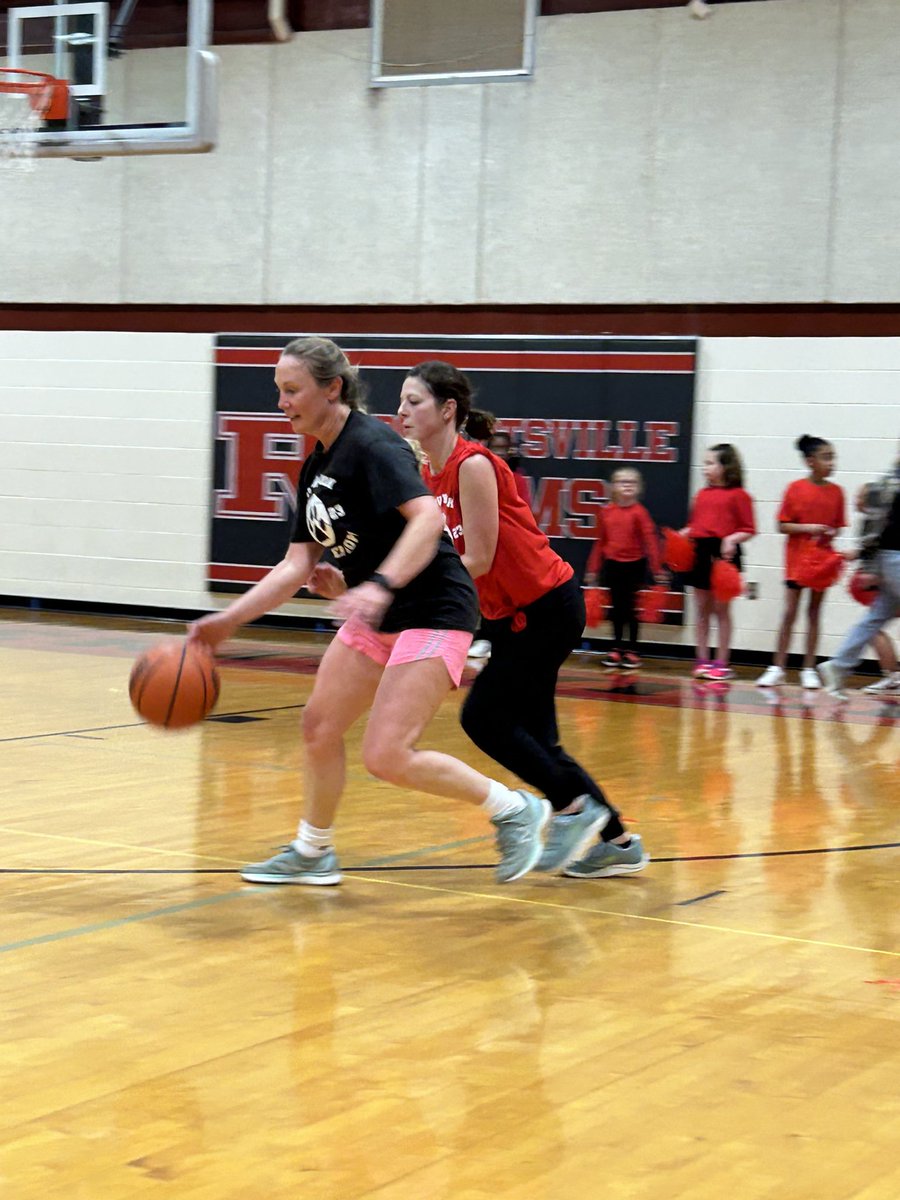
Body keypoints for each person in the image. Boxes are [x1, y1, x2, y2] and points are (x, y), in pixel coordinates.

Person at [188, 337, 550, 885]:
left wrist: (379, 584)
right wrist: (227, 622)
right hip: (381, 615)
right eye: (278, 391)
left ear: (332, 388)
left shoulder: (372, 444)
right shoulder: (317, 466)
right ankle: (313, 852)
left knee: (386, 753)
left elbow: (428, 520)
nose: (282, 402)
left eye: (292, 390)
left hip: (435, 610)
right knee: (319, 725)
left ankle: (512, 809)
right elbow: (293, 566)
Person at [398, 360, 649, 880]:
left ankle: (570, 809)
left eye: (414, 401)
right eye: (401, 401)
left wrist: (414, 592)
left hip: (546, 607)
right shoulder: (429, 473)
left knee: (482, 718)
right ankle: (619, 843)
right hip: (510, 616)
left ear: (448, 410)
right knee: (541, 743)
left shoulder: (473, 465)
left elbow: (481, 558)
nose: (401, 410)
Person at [756, 435, 845, 690]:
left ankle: (808, 668)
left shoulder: (837, 492)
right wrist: (809, 528)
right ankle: (777, 667)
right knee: (790, 613)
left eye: (832, 457)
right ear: (810, 461)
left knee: (814, 613)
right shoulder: (795, 488)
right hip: (797, 561)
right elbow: (782, 524)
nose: (831, 462)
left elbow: (837, 527)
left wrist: (828, 533)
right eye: (826, 457)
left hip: (822, 562)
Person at [820, 442, 900, 700]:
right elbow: (872, 528)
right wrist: (869, 566)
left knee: (875, 618)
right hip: (894, 558)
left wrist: (871, 565)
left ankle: (837, 666)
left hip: (889, 559)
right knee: (875, 619)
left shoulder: (886, 484)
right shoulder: (889, 485)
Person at [680, 443, 756, 682]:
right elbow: (697, 525)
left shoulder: (740, 495)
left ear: (726, 466)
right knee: (701, 609)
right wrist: (683, 534)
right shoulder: (702, 495)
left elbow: (749, 529)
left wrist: (732, 539)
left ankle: (722, 662)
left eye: (710, 463)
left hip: (725, 554)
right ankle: (702, 659)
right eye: (705, 463)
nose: (705, 468)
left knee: (722, 611)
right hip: (701, 552)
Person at [583, 467, 665, 670]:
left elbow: (651, 541)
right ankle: (617, 647)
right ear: (613, 487)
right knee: (617, 609)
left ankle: (632, 650)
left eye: (632, 482)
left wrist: (657, 569)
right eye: (622, 481)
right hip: (612, 565)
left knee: (631, 609)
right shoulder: (607, 512)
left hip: (635, 566)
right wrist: (593, 569)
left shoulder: (640, 513)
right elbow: (600, 542)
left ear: (638, 488)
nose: (627, 485)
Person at [488, 430, 531, 504]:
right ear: (488, 450)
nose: (499, 452)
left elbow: (524, 508)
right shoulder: (479, 477)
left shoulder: (517, 480)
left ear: (509, 451)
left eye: (503, 448)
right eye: (495, 448)